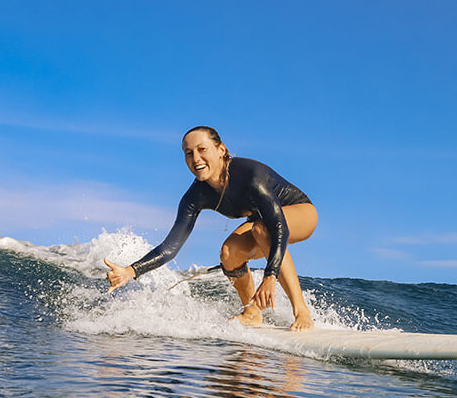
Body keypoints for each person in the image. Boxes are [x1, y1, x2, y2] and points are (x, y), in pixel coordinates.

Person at [104, 126, 319, 332]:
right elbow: (171, 246)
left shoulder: (251, 176)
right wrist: (131, 271)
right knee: (229, 253)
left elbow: (278, 226)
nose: (195, 158)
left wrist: (270, 275)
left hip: (300, 212)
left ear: (221, 150)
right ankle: (251, 313)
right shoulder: (195, 196)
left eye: (202, 149)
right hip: (262, 224)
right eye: (188, 153)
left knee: (262, 230)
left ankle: (301, 312)